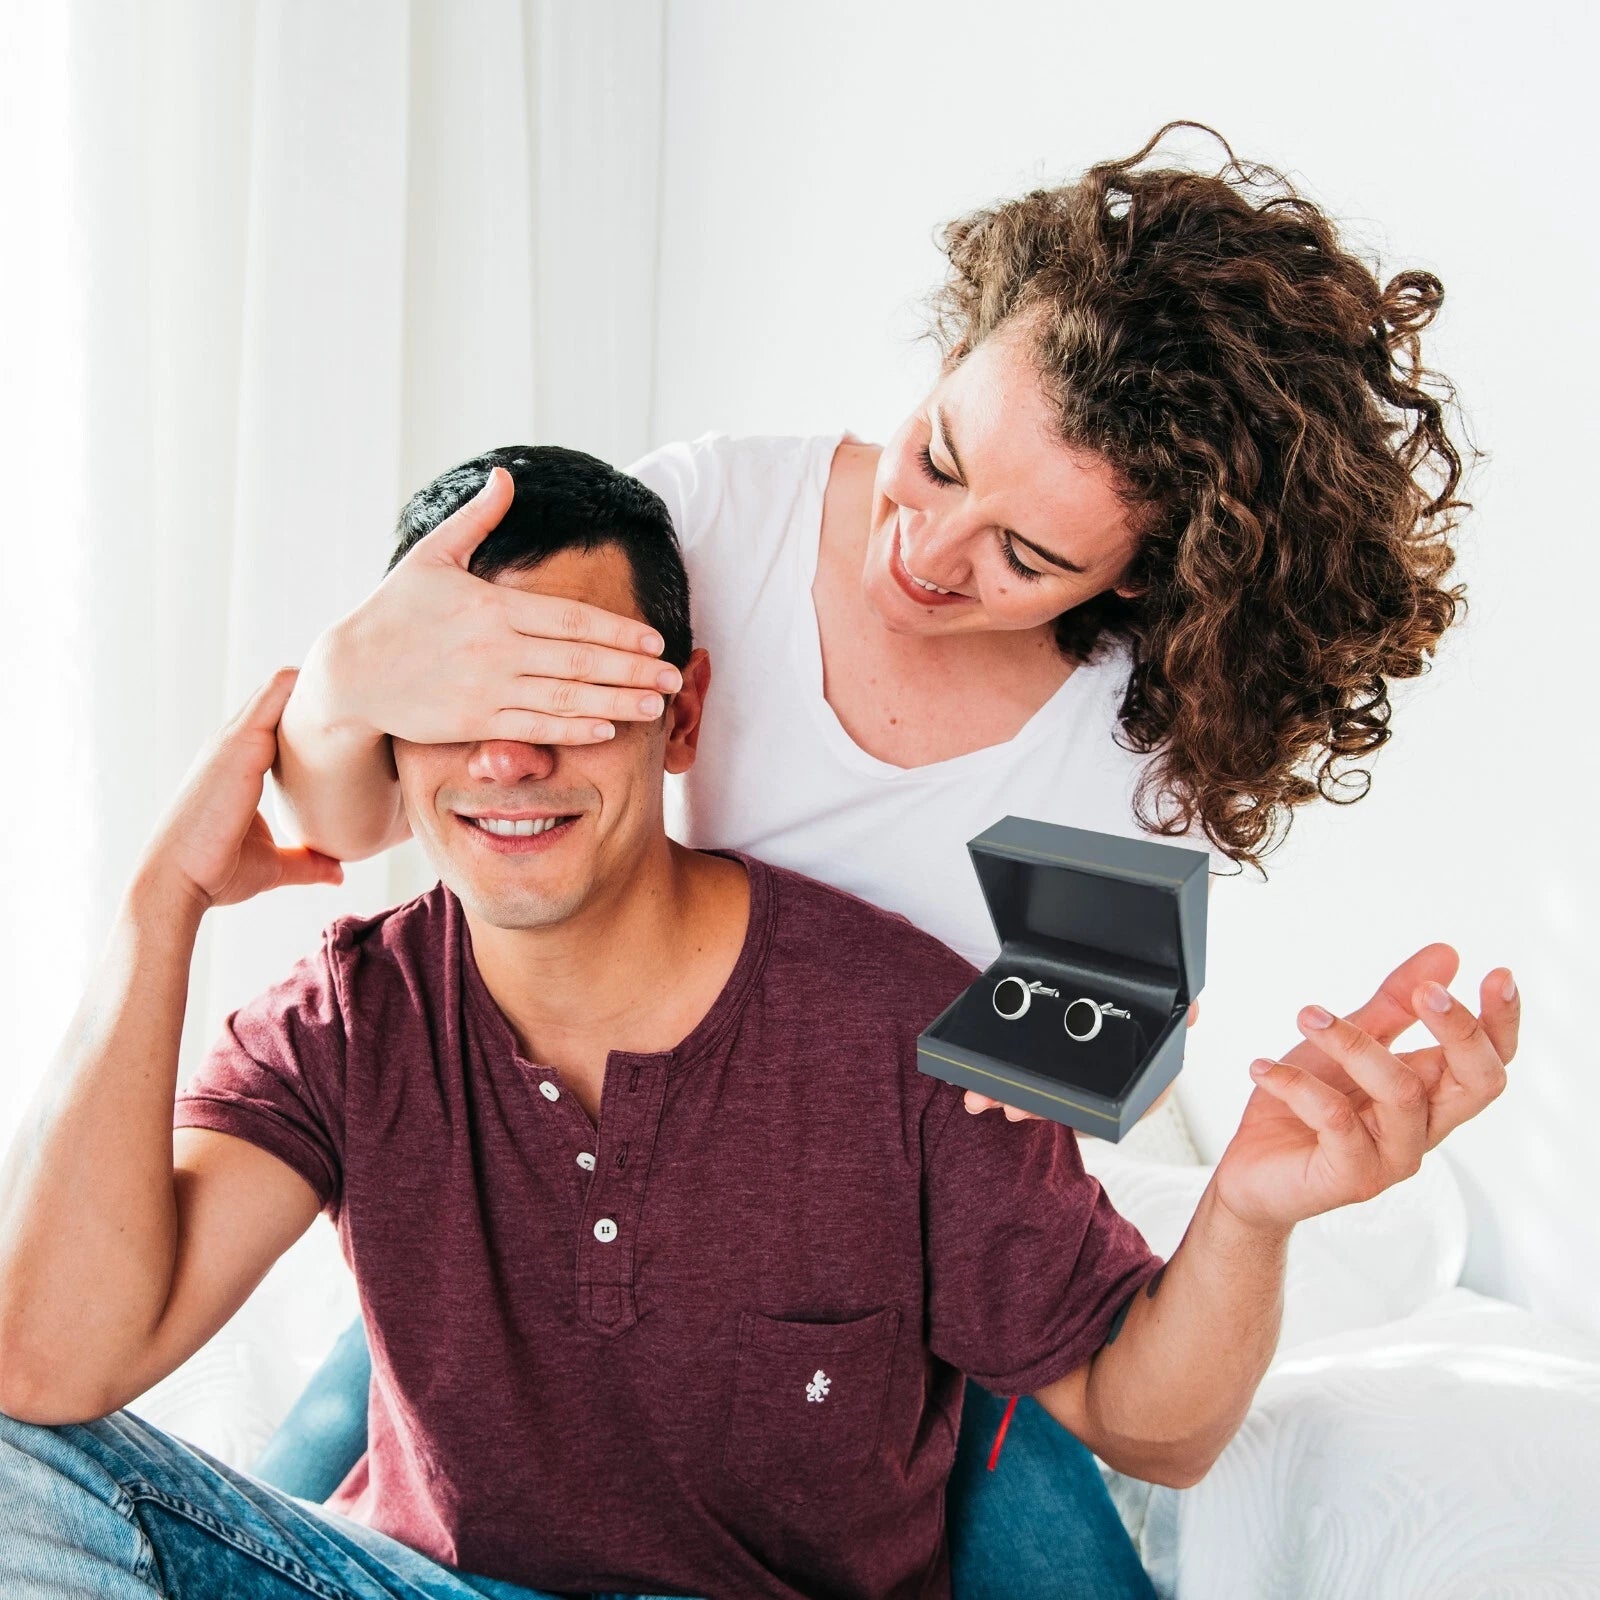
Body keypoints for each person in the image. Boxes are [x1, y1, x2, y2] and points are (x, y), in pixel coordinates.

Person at [264, 121, 1476, 1593]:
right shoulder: (720, 522)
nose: (932, 549)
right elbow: (359, 818)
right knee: (288, 1497)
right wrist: (341, 681)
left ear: (1144, 576)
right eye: (939, 454)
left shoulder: (1122, 762)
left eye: (1027, 558)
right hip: (572, 1180)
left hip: (873, 1271)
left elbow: (1037, 1133)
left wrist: (1107, 1043)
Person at [0, 446, 1514, 1600]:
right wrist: (160, 907)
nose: (513, 751)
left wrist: (1250, 1212)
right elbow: (50, 1373)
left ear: (685, 715)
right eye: (464, 689)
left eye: (580, 689)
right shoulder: (353, 1012)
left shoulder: (936, 1005)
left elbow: (1147, 1417)